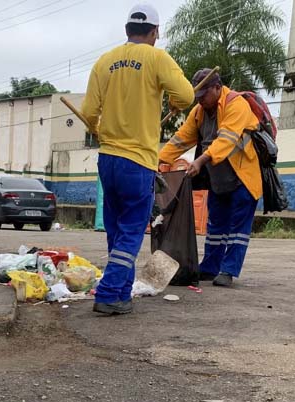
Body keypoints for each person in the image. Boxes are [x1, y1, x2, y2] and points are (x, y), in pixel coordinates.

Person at [81, 3, 194, 315]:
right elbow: (185, 96)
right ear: (155, 32)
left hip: (108, 159)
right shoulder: (157, 57)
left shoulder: (104, 62)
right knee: (131, 231)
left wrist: (101, 128)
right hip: (138, 160)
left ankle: (120, 293)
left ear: (127, 30)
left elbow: (89, 113)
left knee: (117, 230)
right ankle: (107, 294)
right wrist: (168, 99)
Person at [159, 69, 263, 288]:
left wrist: (199, 161)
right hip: (218, 180)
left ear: (217, 88)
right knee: (216, 225)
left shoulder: (236, 104)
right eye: (198, 97)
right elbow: (180, 140)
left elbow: (226, 139)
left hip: (243, 178)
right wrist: (157, 160)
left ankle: (228, 270)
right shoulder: (198, 112)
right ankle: (210, 267)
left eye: (204, 95)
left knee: (237, 229)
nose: (201, 101)